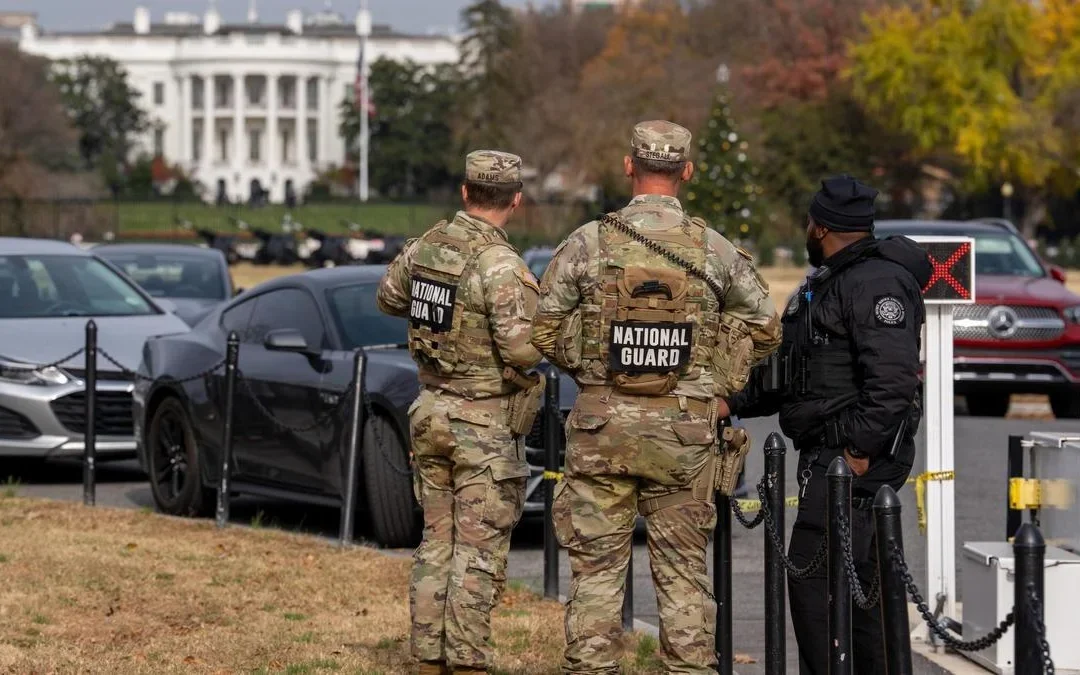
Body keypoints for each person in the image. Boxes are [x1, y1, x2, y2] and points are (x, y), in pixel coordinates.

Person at [531, 120, 783, 674]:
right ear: (686, 172)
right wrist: (713, 386)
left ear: (629, 166)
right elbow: (765, 326)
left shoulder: (587, 243)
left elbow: (543, 328)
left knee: (595, 578)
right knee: (684, 580)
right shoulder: (713, 248)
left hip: (602, 434)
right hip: (685, 436)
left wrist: (596, 374)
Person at [727, 175, 932, 674]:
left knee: (816, 583)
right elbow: (793, 372)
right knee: (857, 592)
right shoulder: (830, 281)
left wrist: (857, 451)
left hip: (851, 462)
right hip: (828, 454)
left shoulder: (876, 282)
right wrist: (731, 401)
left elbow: (892, 384)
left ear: (819, 227)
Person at [376, 150, 545, 675]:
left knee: (437, 541)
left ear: (466, 191)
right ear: (515, 199)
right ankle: (468, 662)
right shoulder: (501, 265)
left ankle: (428, 656)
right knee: (476, 549)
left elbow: (387, 296)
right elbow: (521, 350)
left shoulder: (429, 246)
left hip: (430, 411)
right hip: (483, 423)